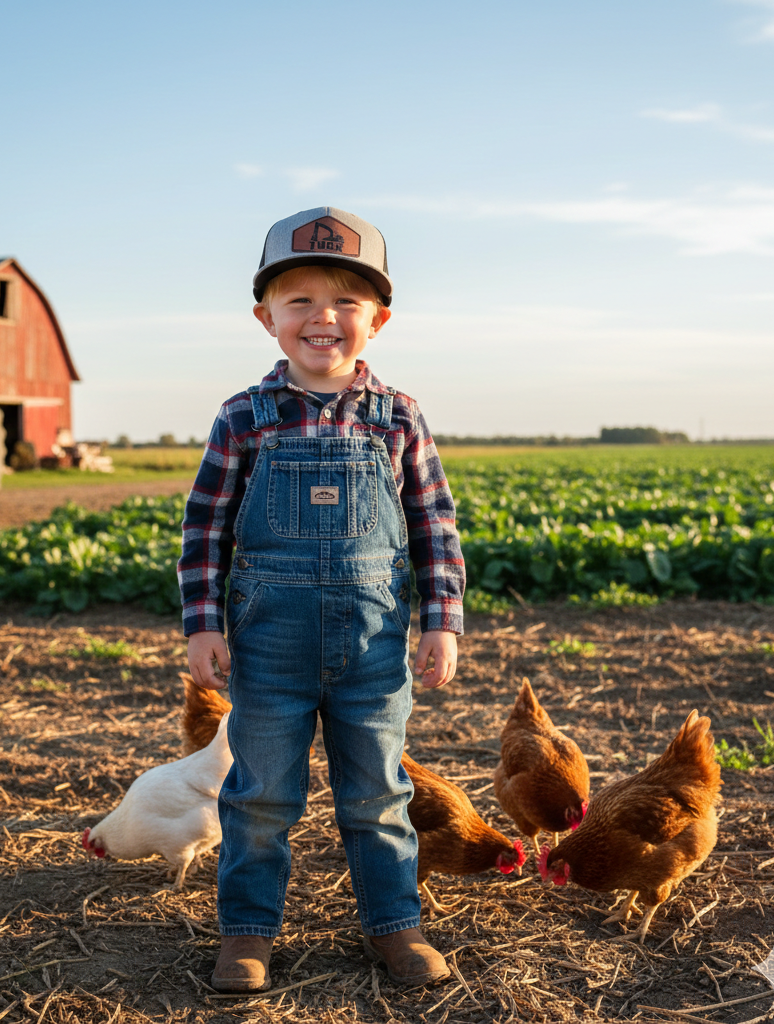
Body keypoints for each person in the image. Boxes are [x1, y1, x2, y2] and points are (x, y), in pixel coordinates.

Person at [178, 207, 465, 993]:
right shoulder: (244, 416)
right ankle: (247, 933)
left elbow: (434, 524)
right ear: (267, 317)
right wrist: (203, 622)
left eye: (344, 301)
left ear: (379, 318)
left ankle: (394, 925)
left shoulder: (399, 417)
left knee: (378, 794)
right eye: (299, 300)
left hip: (373, 649)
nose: (322, 318)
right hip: (269, 647)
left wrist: (442, 617)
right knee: (261, 796)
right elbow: (205, 526)